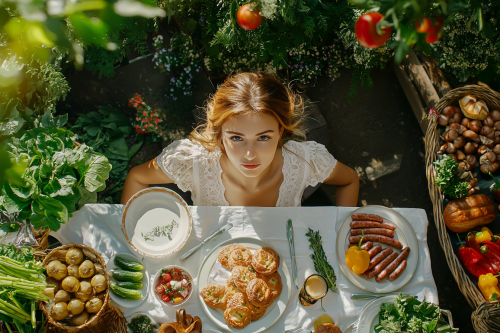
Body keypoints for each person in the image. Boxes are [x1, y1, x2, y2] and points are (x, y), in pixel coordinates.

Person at [121, 72, 359, 207]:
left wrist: (339, 232)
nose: (250, 154)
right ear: (219, 134)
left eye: (263, 137)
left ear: (281, 132)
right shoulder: (192, 162)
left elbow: (349, 180)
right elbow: (137, 178)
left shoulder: (306, 161)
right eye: (236, 137)